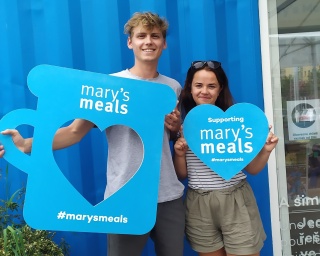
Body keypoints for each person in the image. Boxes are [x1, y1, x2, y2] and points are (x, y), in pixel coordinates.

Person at [0, 12, 185, 256]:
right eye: (141, 36)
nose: (148, 41)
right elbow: (74, 132)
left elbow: (166, 140)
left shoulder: (172, 87)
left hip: (168, 195)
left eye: (155, 36)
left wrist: (174, 127)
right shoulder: (108, 86)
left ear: (164, 43)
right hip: (123, 196)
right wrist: (26, 145)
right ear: (130, 42)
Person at [173, 60, 279, 256]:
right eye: (199, 85)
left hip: (236, 201)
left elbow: (253, 169)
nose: (204, 90)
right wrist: (179, 154)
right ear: (190, 88)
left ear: (220, 89)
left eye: (211, 86)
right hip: (198, 204)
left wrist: (266, 150)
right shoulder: (184, 127)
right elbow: (182, 174)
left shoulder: (234, 125)